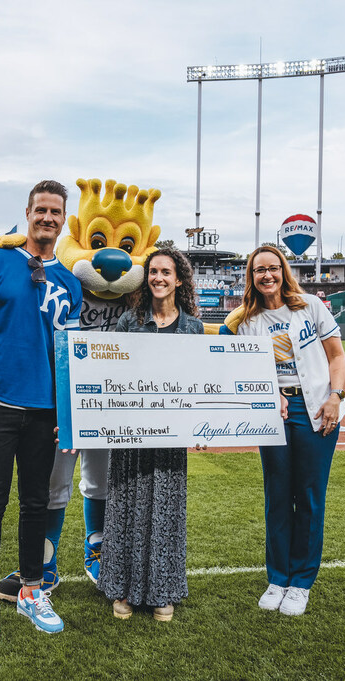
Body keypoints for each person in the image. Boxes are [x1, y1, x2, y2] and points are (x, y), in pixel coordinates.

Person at [0, 180, 83, 647]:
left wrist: (66, 414)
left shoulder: (70, 282)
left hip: (44, 409)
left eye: (56, 212)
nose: (48, 218)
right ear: (28, 213)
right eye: (41, 210)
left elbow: (69, 355)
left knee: (35, 502)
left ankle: (31, 589)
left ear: (63, 219)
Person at [232, 245, 345, 617]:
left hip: (317, 408)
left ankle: (301, 584)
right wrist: (270, 393)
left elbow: (337, 356)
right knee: (278, 496)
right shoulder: (247, 320)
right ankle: (277, 578)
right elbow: (242, 361)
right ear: (251, 277)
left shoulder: (311, 305)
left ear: (284, 271)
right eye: (258, 270)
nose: (267, 275)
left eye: (273, 268)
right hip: (273, 412)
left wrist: (335, 396)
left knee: (310, 497)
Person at [101, 248, 203, 622]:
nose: (158, 278)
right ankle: (124, 590)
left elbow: (200, 382)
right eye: (153, 272)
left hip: (170, 440)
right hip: (131, 438)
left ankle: (162, 591)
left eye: (166, 272)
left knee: (165, 511)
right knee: (127, 508)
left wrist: (202, 424)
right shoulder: (129, 321)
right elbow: (111, 375)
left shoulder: (193, 327)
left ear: (179, 280)